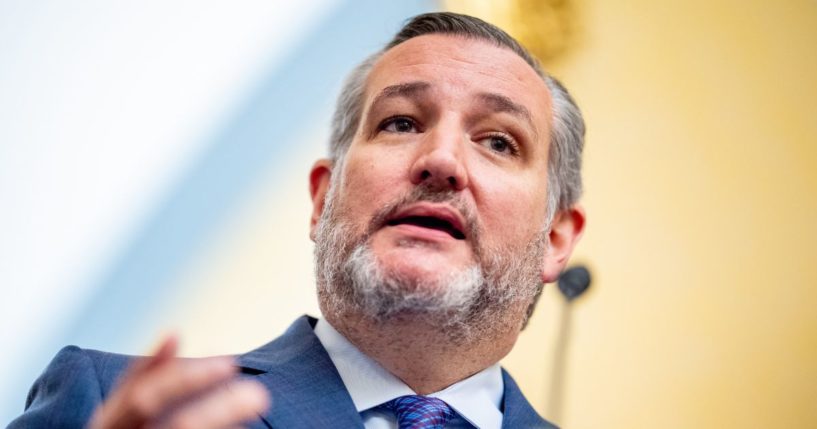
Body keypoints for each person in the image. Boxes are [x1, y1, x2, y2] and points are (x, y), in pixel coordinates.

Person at [9, 12, 585, 429]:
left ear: (555, 241)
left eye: (499, 142)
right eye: (401, 123)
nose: (440, 161)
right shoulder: (106, 401)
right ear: (323, 197)